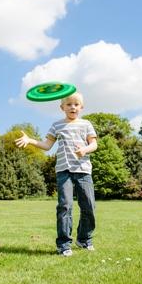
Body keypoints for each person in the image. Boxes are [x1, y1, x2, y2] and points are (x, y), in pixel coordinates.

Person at [15, 92, 98, 257]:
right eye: (68, 104)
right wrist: (30, 140)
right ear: (62, 108)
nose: (72, 107)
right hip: (63, 170)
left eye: (76, 104)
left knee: (89, 206)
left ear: (81, 107)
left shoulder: (86, 124)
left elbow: (94, 144)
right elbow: (46, 145)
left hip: (83, 169)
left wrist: (85, 149)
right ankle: (64, 245)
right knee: (65, 206)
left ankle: (84, 239)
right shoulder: (57, 125)